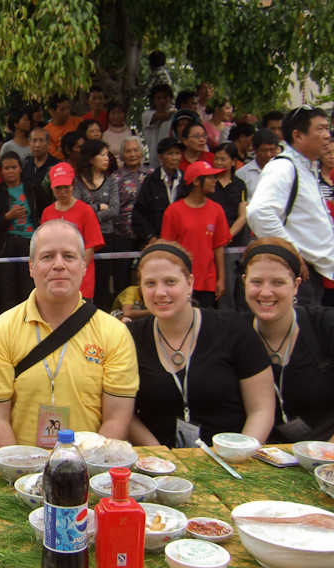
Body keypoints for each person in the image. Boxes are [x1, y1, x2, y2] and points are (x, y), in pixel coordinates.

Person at [0, 220, 138, 449]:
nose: (59, 265)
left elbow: (116, 418)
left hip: (88, 469)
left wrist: (81, 471)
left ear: (84, 265)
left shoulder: (114, 333)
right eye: (47, 256)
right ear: (31, 266)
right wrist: (18, 472)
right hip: (23, 469)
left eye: (69, 256)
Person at [127, 240, 275, 447]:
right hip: (159, 461)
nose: (160, 292)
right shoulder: (130, 337)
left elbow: (262, 409)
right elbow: (125, 412)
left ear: (189, 283)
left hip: (229, 459)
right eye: (150, 283)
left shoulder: (232, 329)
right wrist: (161, 457)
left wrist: (239, 453)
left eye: (170, 281)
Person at [242, 238, 334, 442]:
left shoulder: (325, 325)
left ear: (296, 285)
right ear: (244, 282)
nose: (266, 292)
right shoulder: (234, 333)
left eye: (278, 282)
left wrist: (327, 459)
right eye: (256, 282)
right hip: (262, 460)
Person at [248, 106, 334, 305]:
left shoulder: (306, 168)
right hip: (299, 274)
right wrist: (291, 251)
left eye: (328, 128)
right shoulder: (283, 167)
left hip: (315, 273)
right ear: (298, 135)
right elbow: (259, 213)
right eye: (320, 129)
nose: (327, 135)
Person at [0, 151, 49, 317]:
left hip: (30, 244)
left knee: (29, 286)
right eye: (6, 168)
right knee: (7, 289)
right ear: (1, 171)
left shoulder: (33, 186)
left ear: (21, 168)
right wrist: (7, 217)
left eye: (14, 167)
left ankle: (31, 320)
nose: (10, 171)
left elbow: (47, 210)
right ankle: (10, 327)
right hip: (5, 246)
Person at [161, 161, 230, 308]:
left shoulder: (217, 210)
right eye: (210, 177)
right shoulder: (173, 211)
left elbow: (219, 246)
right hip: (181, 280)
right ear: (196, 181)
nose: (215, 181)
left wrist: (221, 278)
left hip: (208, 281)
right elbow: (167, 250)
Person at [41, 163, 104, 301]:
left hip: (81, 280)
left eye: (66, 187)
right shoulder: (47, 212)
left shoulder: (86, 211)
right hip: (55, 278)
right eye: (58, 188)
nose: (62, 192)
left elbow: (90, 246)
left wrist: (78, 270)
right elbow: (43, 246)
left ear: (74, 184)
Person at [72, 140, 119, 309]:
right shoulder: (77, 182)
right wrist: (98, 208)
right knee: (83, 281)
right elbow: (76, 208)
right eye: (102, 155)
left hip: (106, 237)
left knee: (104, 283)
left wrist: (90, 215)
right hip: (83, 240)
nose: (107, 159)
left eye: (107, 155)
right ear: (91, 159)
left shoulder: (112, 182)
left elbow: (114, 209)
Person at [208, 143, 249, 311]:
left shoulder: (239, 184)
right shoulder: (209, 183)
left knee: (233, 285)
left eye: (223, 159)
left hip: (232, 243)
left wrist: (227, 236)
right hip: (209, 241)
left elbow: (243, 216)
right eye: (216, 158)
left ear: (233, 162)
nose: (218, 162)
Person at [110, 137, 151, 297]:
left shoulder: (151, 174)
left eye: (136, 150)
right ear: (122, 155)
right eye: (128, 151)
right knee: (122, 275)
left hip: (147, 234)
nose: (133, 154)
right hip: (122, 233)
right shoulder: (115, 178)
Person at [132, 137, 184, 244]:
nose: (175, 157)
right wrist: (150, 237)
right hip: (158, 241)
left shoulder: (186, 180)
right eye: (170, 153)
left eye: (177, 153)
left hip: (183, 240)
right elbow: (139, 214)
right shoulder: (150, 181)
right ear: (160, 158)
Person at [235, 128, 280, 200]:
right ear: (255, 150)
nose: (268, 155)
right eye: (264, 150)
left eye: (272, 150)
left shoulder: (284, 171)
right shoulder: (242, 174)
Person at [142, 84, 175, 169]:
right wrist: (174, 110)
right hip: (155, 163)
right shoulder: (147, 115)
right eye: (158, 98)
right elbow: (165, 115)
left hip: (174, 160)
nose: (162, 101)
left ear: (170, 98)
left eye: (165, 97)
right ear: (153, 100)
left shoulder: (176, 117)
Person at [45, 93, 82, 160]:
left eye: (68, 108)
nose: (66, 112)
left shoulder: (79, 122)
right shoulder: (46, 131)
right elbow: (53, 154)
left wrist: (61, 149)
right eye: (62, 109)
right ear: (52, 111)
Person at [102, 101, 133, 166]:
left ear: (124, 115)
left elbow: (141, 155)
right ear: (108, 116)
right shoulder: (105, 136)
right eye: (113, 113)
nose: (116, 116)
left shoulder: (132, 133)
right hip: (113, 172)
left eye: (119, 113)